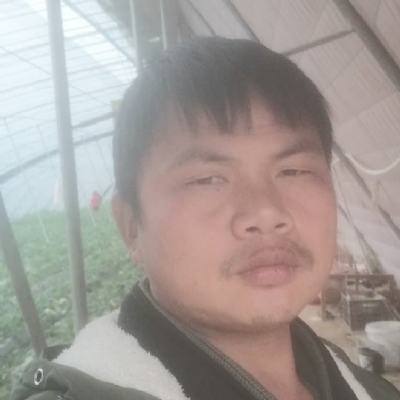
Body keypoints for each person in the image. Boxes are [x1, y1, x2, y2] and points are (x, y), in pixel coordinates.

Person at [12, 37, 400, 400]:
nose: (266, 213)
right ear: (131, 225)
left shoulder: (360, 384)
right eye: (207, 179)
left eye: (293, 171)